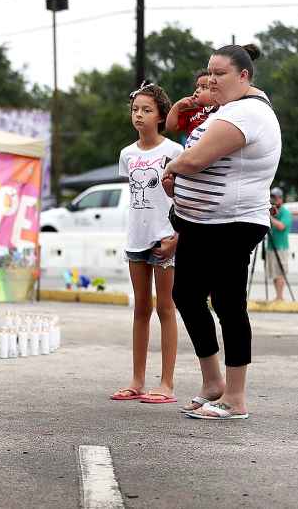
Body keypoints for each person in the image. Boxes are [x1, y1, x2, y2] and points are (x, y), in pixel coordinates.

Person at [161, 44, 281, 421]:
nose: (212, 79)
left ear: (243, 76)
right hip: (202, 224)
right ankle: (213, 384)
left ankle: (236, 398)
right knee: (187, 294)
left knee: (228, 304)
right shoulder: (227, 110)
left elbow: (196, 159)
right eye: (210, 71)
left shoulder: (249, 112)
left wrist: (173, 169)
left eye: (221, 73)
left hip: (232, 224)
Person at [111, 83, 183, 404]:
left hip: (165, 237)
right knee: (141, 308)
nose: (139, 115)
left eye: (146, 110)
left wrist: (177, 237)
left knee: (166, 308)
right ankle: (137, 380)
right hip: (135, 238)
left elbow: (182, 198)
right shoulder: (127, 154)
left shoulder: (174, 152)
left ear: (160, 116)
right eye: (135, 110)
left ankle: (166, 383)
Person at [165, 69, 219, 140]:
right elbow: (170, 128)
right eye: (197, 86)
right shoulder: (193, 111)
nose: (197, 90)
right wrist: (176, 107)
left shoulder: (223, 109)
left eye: (204, 87)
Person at [266, 187, 292, 301]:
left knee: (280, 272)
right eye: (272, 197)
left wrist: (269, 218)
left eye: (276, 197)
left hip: (281, 247)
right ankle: (277, 296)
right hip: (271, 246)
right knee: (274, 273)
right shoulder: (271, 211)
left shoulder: (285, 212)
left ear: (281, 198)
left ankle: (280, 297)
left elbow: (281, 226)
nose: (274, 199)